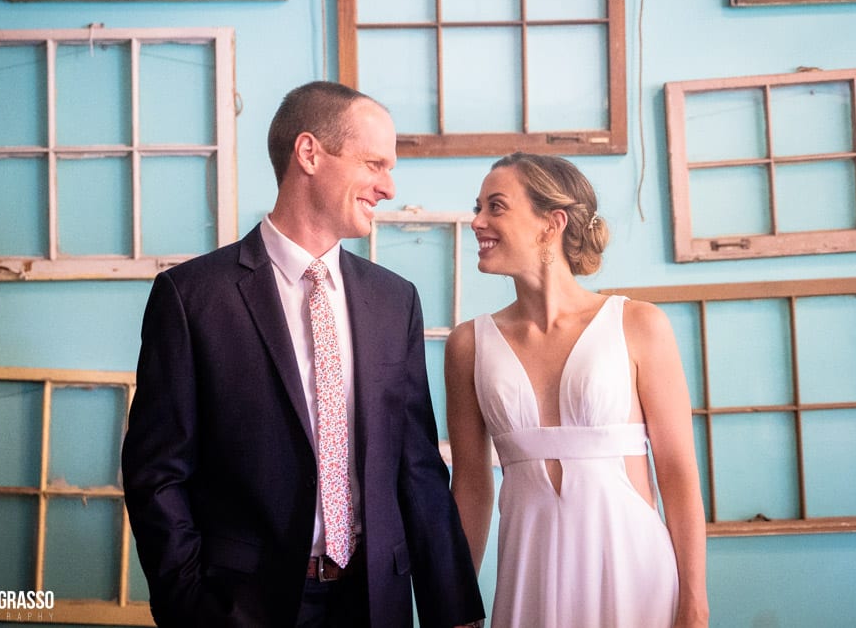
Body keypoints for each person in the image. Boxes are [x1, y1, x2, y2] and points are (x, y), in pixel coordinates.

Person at [122, 81, 485, 628]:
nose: (388, 187)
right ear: (310, 153)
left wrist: (452, 608)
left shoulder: (394, 300)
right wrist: (191, 606)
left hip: (374, 602)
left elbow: (417, 467)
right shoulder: (192, 296)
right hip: (242, 605)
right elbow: (157, 474)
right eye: (374, 164)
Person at [446, 152, 709, 628]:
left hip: (635, 576)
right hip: (530, 576)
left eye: (495, 207)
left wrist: (694, 603)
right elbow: (470, 486)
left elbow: (678, 473)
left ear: (552, 223)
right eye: (478, 207)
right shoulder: (469, 344)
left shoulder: (638, 324)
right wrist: (456, 605)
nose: (477, 221)